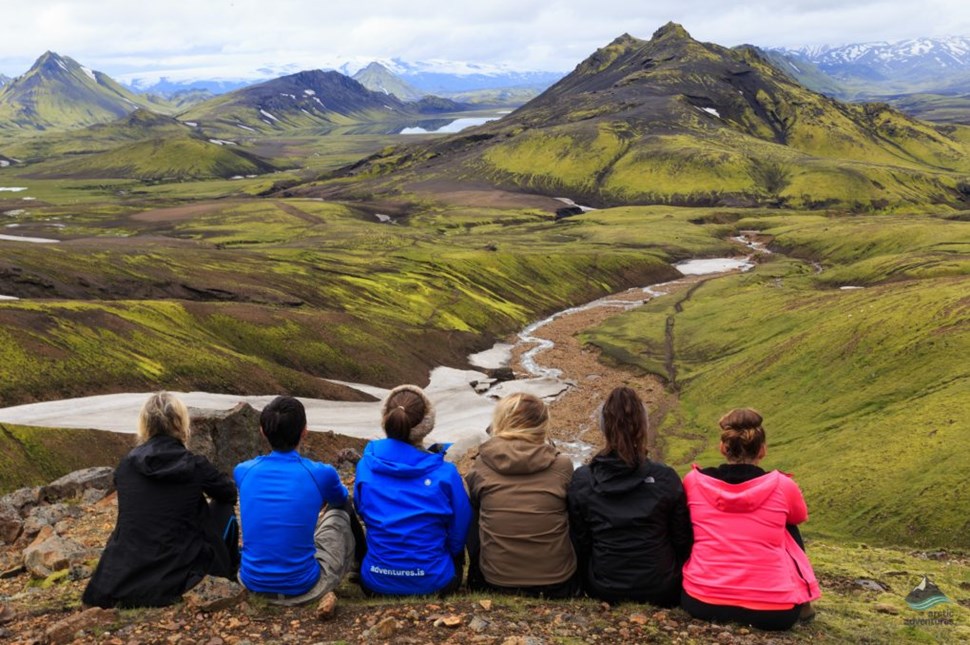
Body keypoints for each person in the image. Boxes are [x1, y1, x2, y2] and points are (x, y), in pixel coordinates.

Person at [83, 392, 239, 608]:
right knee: (222, 507)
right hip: (181, 573)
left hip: (123, 574)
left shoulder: (126, 466)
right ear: (181, 424)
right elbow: (228, 494)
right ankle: (230, 574)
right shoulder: (194, 464)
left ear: (144, 424)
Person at [681, 408, 820, 631]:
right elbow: (800, 516)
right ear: (762, 450)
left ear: (723, 448)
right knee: (788, 525)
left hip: (701, 601)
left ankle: (708, 577)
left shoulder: (693, 481)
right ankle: (804, 603)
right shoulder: (783, 486)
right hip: (774, 611)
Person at [567, 386, 692, 606]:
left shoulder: (583, 479)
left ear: (603, 427)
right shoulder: (665, 478)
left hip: (604, 586)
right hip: (661, 587)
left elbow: (581, 541)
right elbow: (682, 540)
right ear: (644, 427)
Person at [234, 396, 355, 606]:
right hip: (304, 587)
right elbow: (340, 499)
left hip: (251, 582)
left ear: (263, 431)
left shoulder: (242, 471)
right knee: (342, 507)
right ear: (304, 431)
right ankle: (361, 570)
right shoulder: (321, 473)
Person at [354, 384, 472, 596]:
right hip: (435, 582)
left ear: (386, 420)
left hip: (375, 583)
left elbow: (362, 511)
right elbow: (459, 530)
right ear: (427, 425)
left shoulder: (365, 466)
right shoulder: (446, 473)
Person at [465, 393, 577, 597]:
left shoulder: (482, 465)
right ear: (542, 426)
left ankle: (475, 577)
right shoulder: (563, 465)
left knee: (473, 509)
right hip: (556, 581)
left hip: (496, 580)